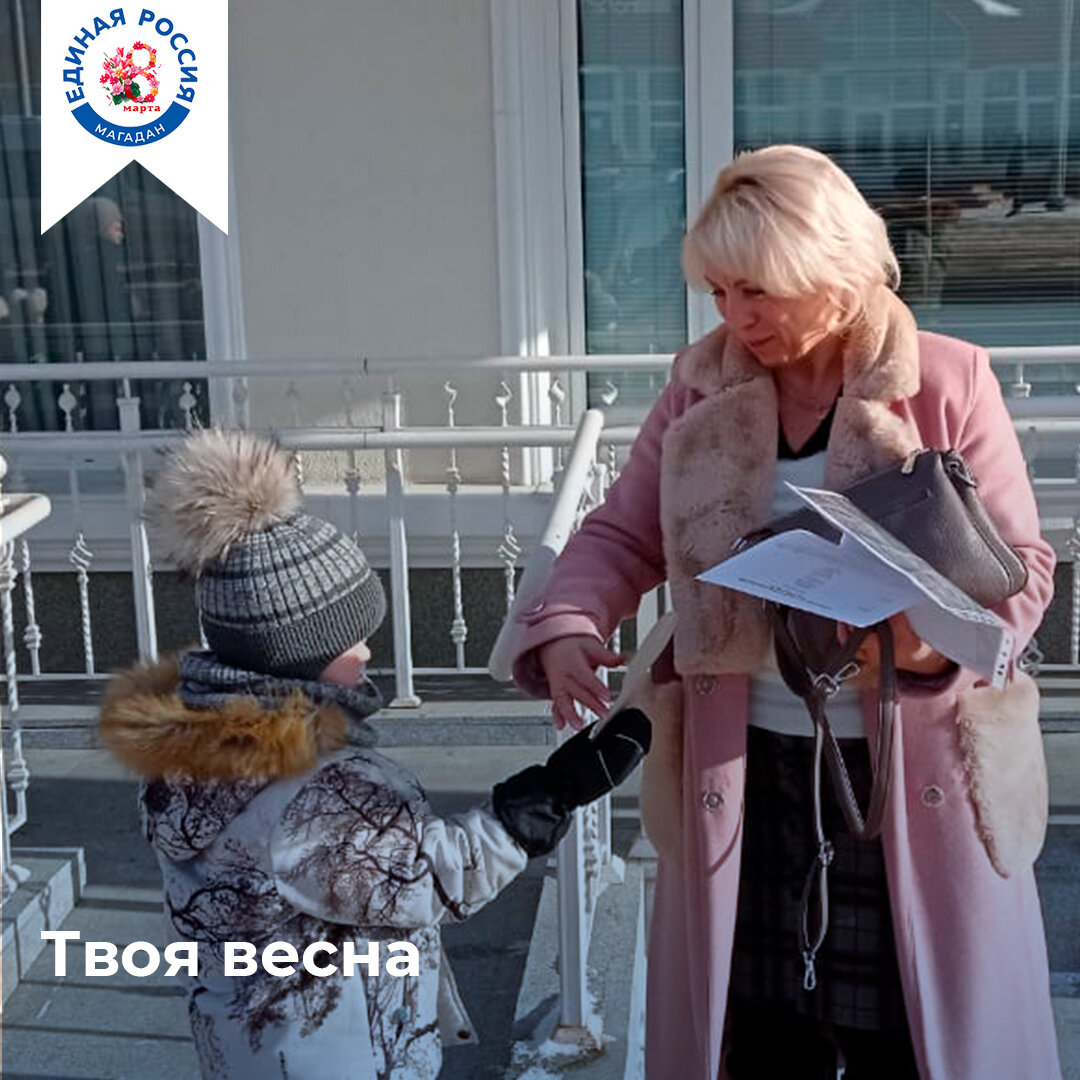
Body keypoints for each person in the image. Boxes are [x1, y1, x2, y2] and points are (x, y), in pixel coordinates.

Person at [511, 145, 1059, 1080]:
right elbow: (622, 531)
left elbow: (1023, 572)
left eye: (758, 290)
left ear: (831, 268)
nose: (736, 317)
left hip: (910, 772)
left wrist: (918, 644)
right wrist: (567, 621)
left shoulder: (946, 380)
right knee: (761, 1037)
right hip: (745, 762)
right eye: (719, 292)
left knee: (908, 1039)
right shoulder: (698, 391)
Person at [99, 429, 650, 1080]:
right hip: (339, 1056)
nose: (366, 650)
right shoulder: (308, 791)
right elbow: (430, 878)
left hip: (256, 1046)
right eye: (350, 638)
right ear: (295, 654)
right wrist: (554, 792)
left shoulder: (199, 752)